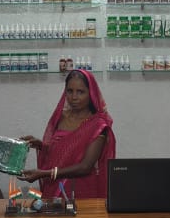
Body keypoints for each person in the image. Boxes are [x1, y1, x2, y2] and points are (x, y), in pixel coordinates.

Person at [19, 69, 117, 199]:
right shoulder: (61, 117)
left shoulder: (98, 125)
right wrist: (41, 145)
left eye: (80, 92)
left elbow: (85, 166)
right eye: (70, 91)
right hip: (56, 187)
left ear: (91, 94)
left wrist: (44, 173)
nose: (74, 97)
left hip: (82, 190)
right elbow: (62, 151)